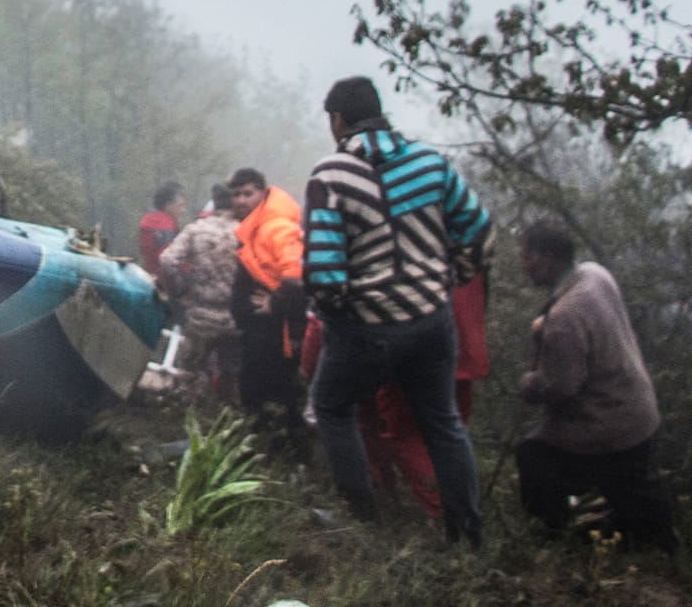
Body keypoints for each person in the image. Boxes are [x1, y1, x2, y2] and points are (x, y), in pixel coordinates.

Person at [302, 76, 490, 545]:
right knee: (442, 422)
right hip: (431, 320)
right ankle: (467, 533)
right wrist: (451, 277)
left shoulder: (331, 175)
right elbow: (478, 229)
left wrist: (339, 319)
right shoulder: (429, 162)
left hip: (367, 327)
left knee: (332, 406)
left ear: (338, 120)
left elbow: (324, 274)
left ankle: (363, 521)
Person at [516, 222, 675, 551]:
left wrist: (529, 383)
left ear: (550, 258)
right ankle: (645, 537)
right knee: (632, 493)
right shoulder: (595, 274)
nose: (524, 265)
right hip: (639, 409)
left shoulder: (565, 316)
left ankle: (556, 538)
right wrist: (547, 326)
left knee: (533, 455)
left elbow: (561, 388)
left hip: (607, 423)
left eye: (528, 257)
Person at [226, 167, 306, 443]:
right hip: (259, 330)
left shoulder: (276, 226)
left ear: (263, 193)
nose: (241, 200)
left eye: (248, 194)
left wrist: (276, 302)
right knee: (259, 392)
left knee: (277, 394)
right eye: (236, 194)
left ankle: (285, 451)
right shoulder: (255, 227)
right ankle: (269, 446)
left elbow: (295, 276)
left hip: (275, 332)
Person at [154, 185, 242, 404]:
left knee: (190, 373)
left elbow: (167, 261)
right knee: (231, 375)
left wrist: (180, 290)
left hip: (201, 312)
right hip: (235, 315)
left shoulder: (196, 230)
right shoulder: (245, 231)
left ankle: (189, 415)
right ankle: (227, 415)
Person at [137, 181, 189, 273]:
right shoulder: (164, 227)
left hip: (150, 274)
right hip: (161, 279)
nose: (183, 210)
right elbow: (170, 261)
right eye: (180, 205)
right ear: (168, 205)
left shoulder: (150, 219)